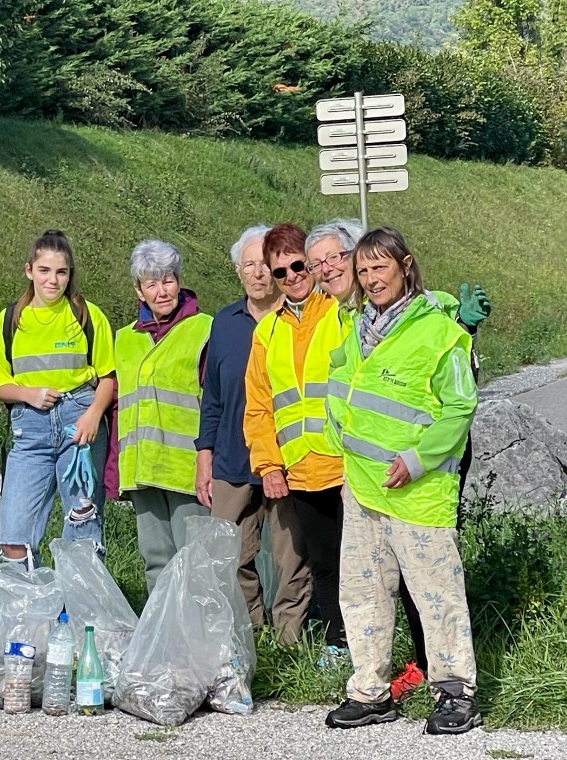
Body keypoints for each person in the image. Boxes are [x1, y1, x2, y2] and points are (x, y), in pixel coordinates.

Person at [306, 218, 491, 700]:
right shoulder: (357, 328)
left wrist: (417, 459)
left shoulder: (437, 331)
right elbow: (341, 388)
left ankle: (455, 692)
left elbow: (460, 407)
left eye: (380, 267)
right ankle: (368, 690)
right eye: (363, 269)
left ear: (406, 267)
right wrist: (339, 433)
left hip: (418, 492)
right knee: (363, 597)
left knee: (437, 597)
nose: (370, 279)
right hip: (363, 489)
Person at [243, 223, 347, 654]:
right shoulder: (266, 332)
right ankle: (336, 647)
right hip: (301, 470)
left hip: (348, 463)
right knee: (323, 564)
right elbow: (259, 407)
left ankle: (375, 647)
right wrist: (268, 466)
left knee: (365, 564)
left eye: (298, 266)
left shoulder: (340, 313)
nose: (292, 277)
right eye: (280, 271)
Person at [0, 230, 115, 570]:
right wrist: (27, 393)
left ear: (70, 274)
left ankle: (78, 615)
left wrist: (92, 416)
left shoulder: (88, 316)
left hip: (80, 430)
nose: (52, 280)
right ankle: (27, 615)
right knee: (14, 540)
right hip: (31, 434)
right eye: (44, 271)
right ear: (29, 270)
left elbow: (108, 379)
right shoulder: (9, 320)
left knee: (82, 531)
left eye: (61, 272)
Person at [196, 225, 302, 631]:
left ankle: (291, 641)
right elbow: (213, 399)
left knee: (290, 556)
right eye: (249, 265)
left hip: (286, 457)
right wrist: (204, 457)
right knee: (231, 556)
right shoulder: (224, 323)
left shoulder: (295, 319)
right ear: (238, 271)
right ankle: (251, 634)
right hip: (232, 459)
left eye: (265, 265)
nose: (258, 274)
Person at [115, 239, 213, 594]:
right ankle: (162, 635)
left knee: (195, 559)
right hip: (142, 469)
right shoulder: (123, 339)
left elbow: (213, 400)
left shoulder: (204, 329)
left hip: (188, 469)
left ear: (179, 280)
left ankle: (198, 635)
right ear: (139, 291)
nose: (162, 291)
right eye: (152, 283)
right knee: (155, 559)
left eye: (168, 280)